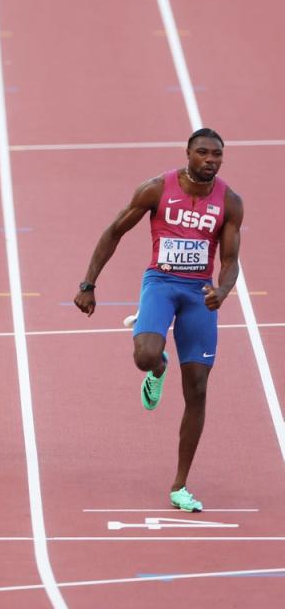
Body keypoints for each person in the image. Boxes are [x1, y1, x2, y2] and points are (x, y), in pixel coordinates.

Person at [74, 128, 243, 512]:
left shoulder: (229, 202)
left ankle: (180, 485)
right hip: (162, 283)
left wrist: (224, 289)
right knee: (145, 356)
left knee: (197, 388)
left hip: (199, 293)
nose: (210, 160)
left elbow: (231, 259)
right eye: (202, 152)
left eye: (217, 154)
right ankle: (160, 365)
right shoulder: (156, 189)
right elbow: (115, 231)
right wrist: (88, 284)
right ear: (187, 153)